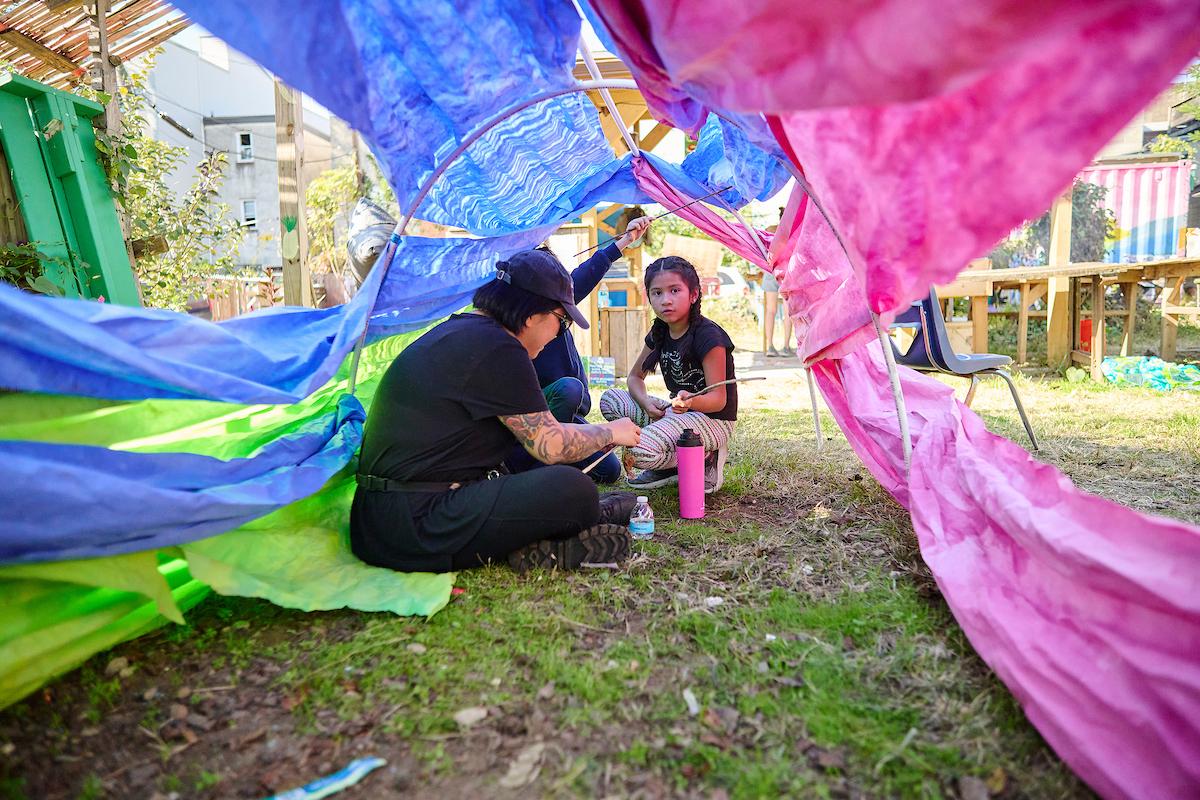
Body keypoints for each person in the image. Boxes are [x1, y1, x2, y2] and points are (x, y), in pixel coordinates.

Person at [350, 249, 643, 573]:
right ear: (534, 313)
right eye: (561, 323)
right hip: (417, 525)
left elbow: (529, 438)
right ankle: (569, 528)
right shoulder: (500, 348)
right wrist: (611, 431)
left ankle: (556, 528)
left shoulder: (467, 332)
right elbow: (551, 444)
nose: (558, 335)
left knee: (536, 469)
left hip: (381, 519)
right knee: (576, 490)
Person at [504, 215, 653, 483]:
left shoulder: (556, 304)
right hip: (537, 421)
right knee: (568, 388)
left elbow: (587, 272)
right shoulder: (520, 324)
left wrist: (626, 240)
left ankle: (561, 456)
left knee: (609, 470)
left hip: (568, 419)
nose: (563, 321)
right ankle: (538, 466)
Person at [599, 256, 738, 493]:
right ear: (649, 297)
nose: (666, 300)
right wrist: (646, 404)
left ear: (693, 295)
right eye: (657, 293)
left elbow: (719, 400)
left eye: (675, 290)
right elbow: (634, 378)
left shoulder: (708, 336)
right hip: (677, 414)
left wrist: (692, 401)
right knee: (611, 399)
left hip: (712, 420)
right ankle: (673, 461)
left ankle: (704, 456)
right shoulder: (659, 332)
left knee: (637, 451)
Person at [762, 207, 794, 357]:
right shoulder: (792, 232)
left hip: (771, 272)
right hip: (785, 273)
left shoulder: (770, 230)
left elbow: (762, 251)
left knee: (771, 310)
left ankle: (771, 347)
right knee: (787, 311)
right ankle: (785, 347)